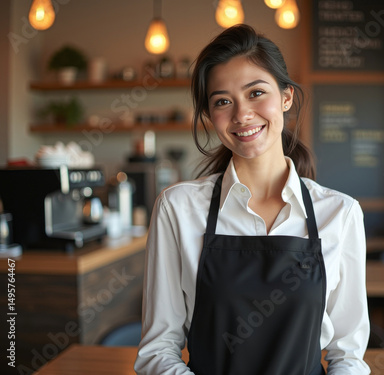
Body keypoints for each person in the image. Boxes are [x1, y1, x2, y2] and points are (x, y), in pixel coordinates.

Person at [134, 24, 370, 375]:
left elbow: (347, 356)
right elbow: (158, 350)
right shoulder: (178, 209)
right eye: (223, 101)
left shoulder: (340, 213)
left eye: (256, 93)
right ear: (210, 116)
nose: (242, 114)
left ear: (286, 97)